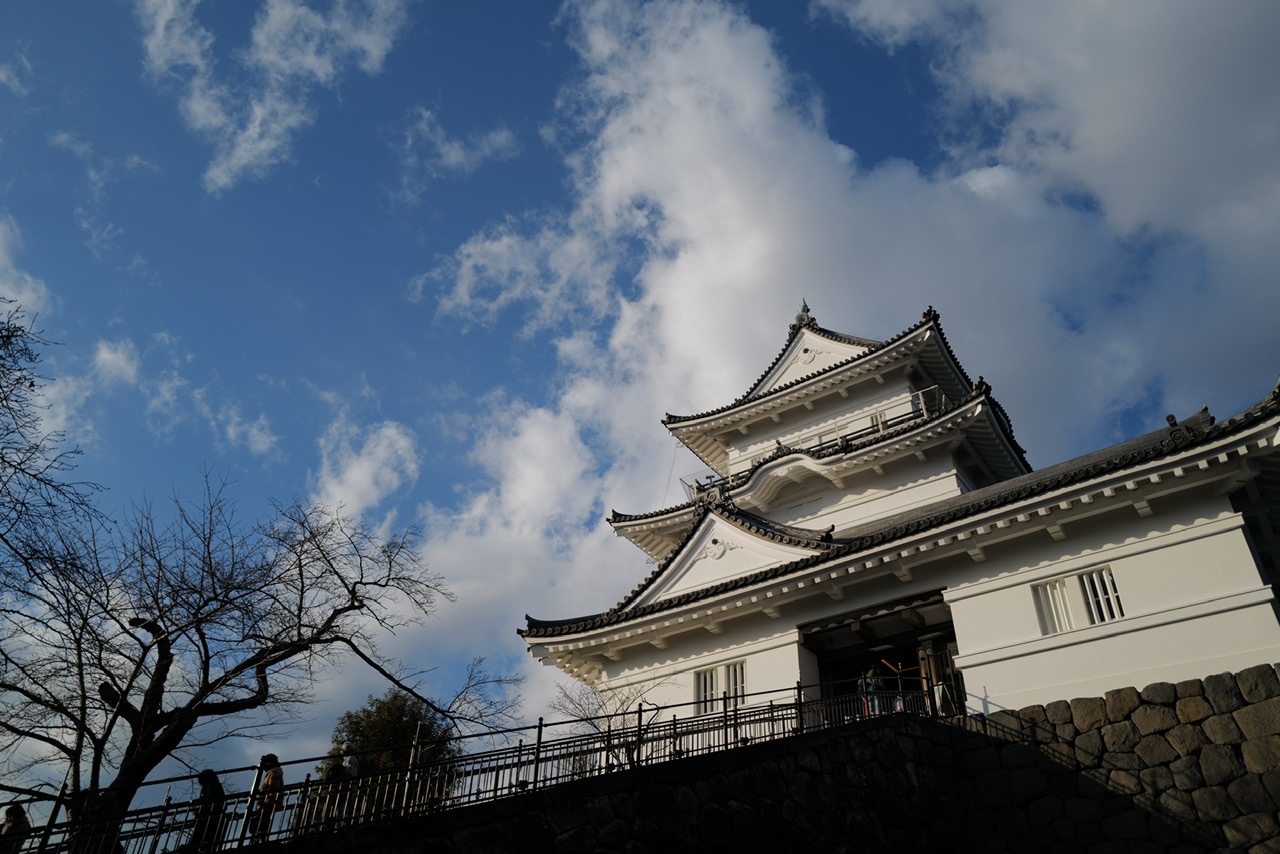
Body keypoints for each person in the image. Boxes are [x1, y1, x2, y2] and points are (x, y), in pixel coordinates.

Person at [184, 770, 224, 852]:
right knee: (207, 838)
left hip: (209, 815)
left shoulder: (210, 784)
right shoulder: (215, 784)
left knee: (199, 836)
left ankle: (191, 849)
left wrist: (197, 803)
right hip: (212, 815)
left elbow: (210, 797)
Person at [252, 754, 284, 843]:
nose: (264, 766)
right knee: (261, 823)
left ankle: (259, 839)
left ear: (270, 762)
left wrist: (266, 803)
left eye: (266, 763)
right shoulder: (274, 771)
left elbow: (273, 788)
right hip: (267, 803)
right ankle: (260, 838)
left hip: (267, 804)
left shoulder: (274, 772)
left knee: (261, 823)